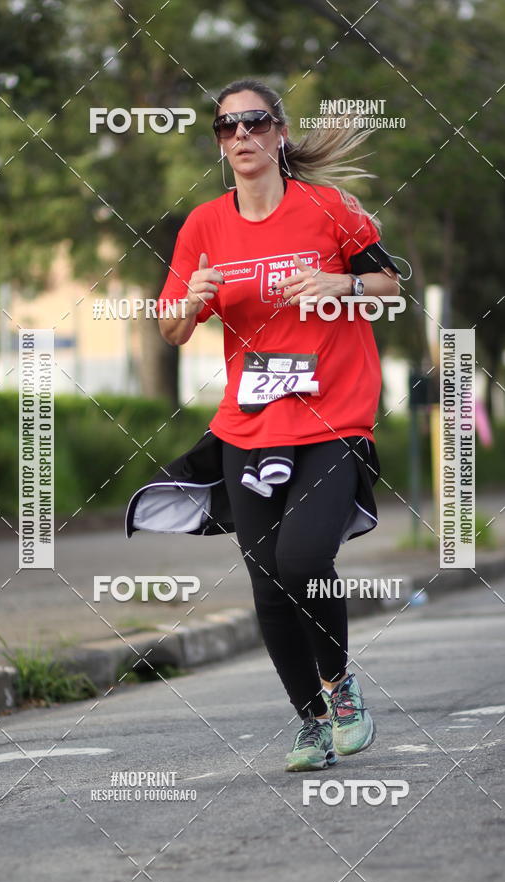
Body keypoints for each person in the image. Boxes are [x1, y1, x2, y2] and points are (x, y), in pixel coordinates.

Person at [126, 78, 401, 772]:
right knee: (267, 578)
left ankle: (339, 687)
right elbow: (172, 330)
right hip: (250, 424)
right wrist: (191, 300)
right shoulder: (204, 226)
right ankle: (310, 722)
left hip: (334, 413)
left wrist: (341, 284)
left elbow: (390, 287)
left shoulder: (329, 209)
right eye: (228, 127)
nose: (241, 135)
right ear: (220, 144)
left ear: (279, 132)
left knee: (303, 560)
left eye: (254, 122)